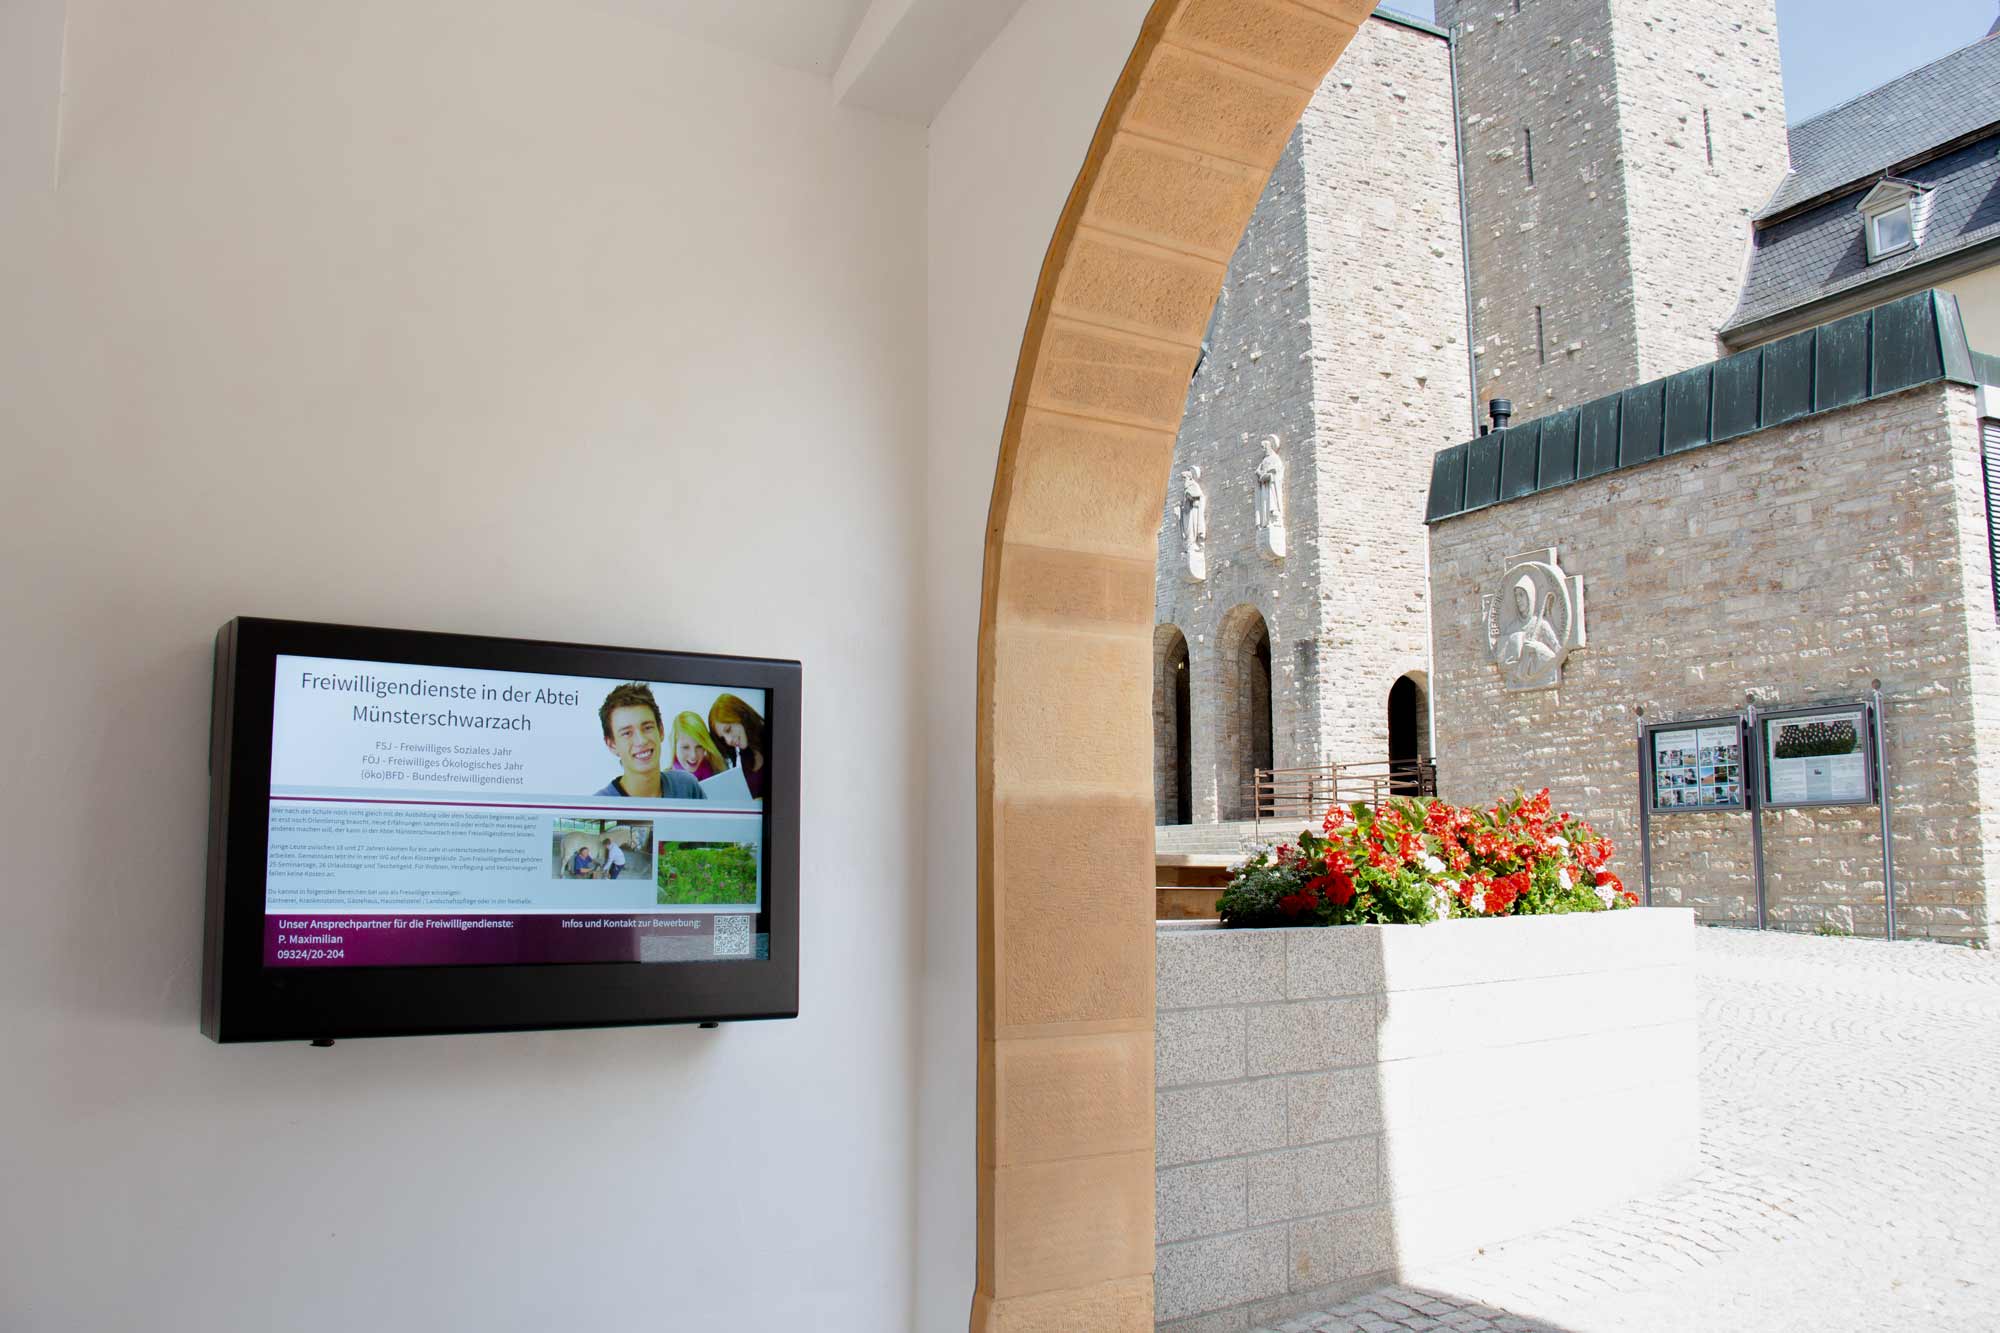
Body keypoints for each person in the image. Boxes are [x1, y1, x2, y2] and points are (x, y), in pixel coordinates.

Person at [595, 682, 706, 799]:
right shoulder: (598, 809)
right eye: (627, 733)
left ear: (661, 731)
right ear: (612, 745)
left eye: (647, 728)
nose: (641, 741)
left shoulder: (687, 787)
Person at [707, 693, 768, 801]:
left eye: (728, 730)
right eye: (723, 738)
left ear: (741, 715)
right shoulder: (744, 757)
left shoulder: (774, 739)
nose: (728, 741)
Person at [668, 711, 728, 781]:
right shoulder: (667, 783)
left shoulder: (717, 770)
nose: (693, 755)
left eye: (699, 746)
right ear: (674, 747)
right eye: (685, 747)